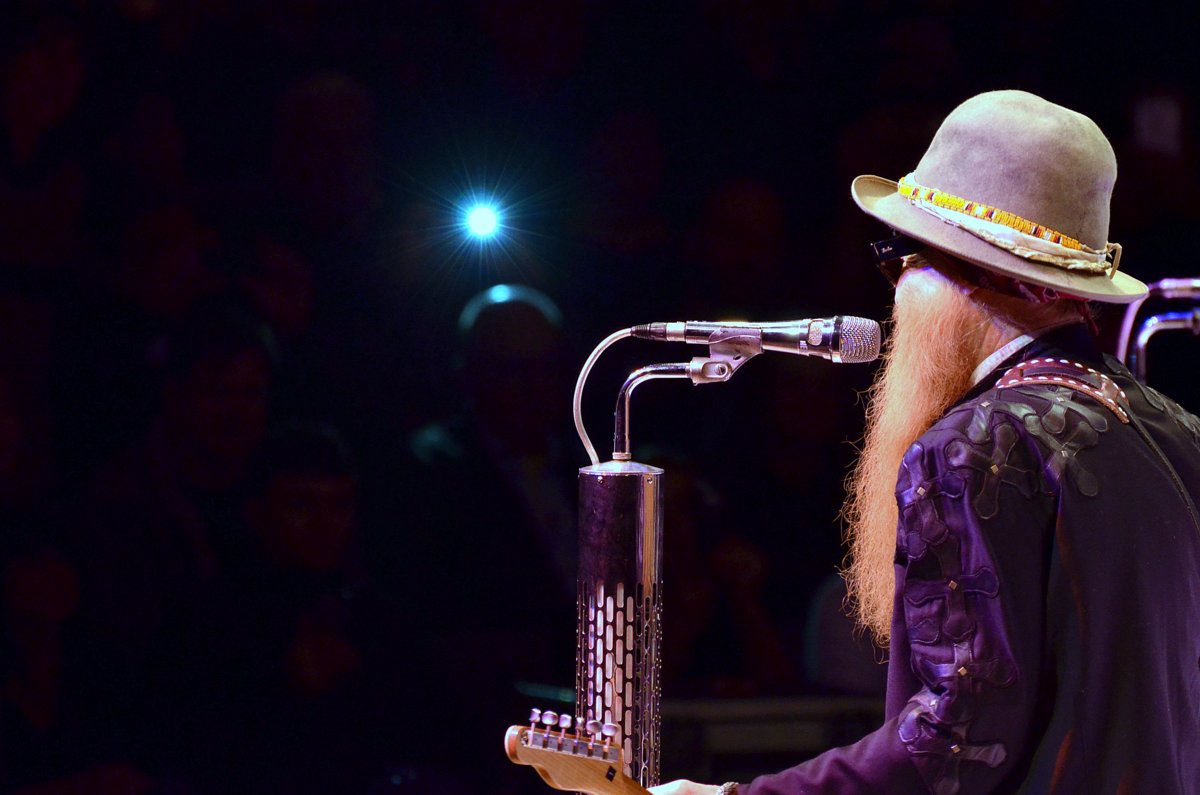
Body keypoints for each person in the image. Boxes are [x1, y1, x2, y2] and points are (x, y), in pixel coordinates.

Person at [652, 91, 1200, 793]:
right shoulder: (1174, 429)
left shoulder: (977, 445)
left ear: (970, 273)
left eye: (900, 257)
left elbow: (956, 741)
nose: (897, 285)